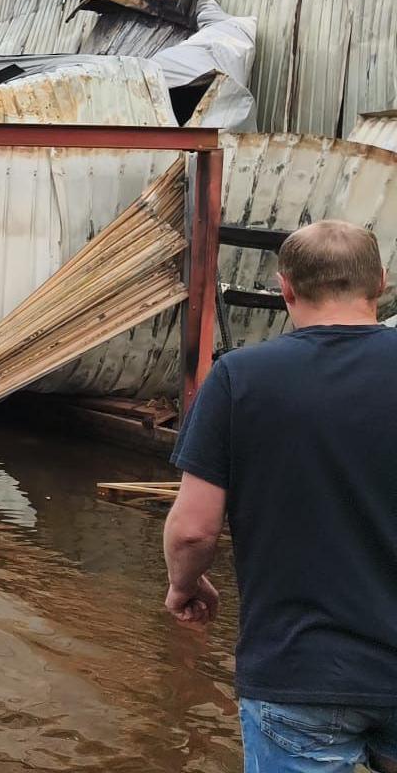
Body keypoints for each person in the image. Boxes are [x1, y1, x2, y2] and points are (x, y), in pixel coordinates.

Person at [165, 219, 397, 771]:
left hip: (300, 670)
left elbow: (195, 528)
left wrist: (185, 584)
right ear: (381, 283)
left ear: (285, 288)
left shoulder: (239, 379)